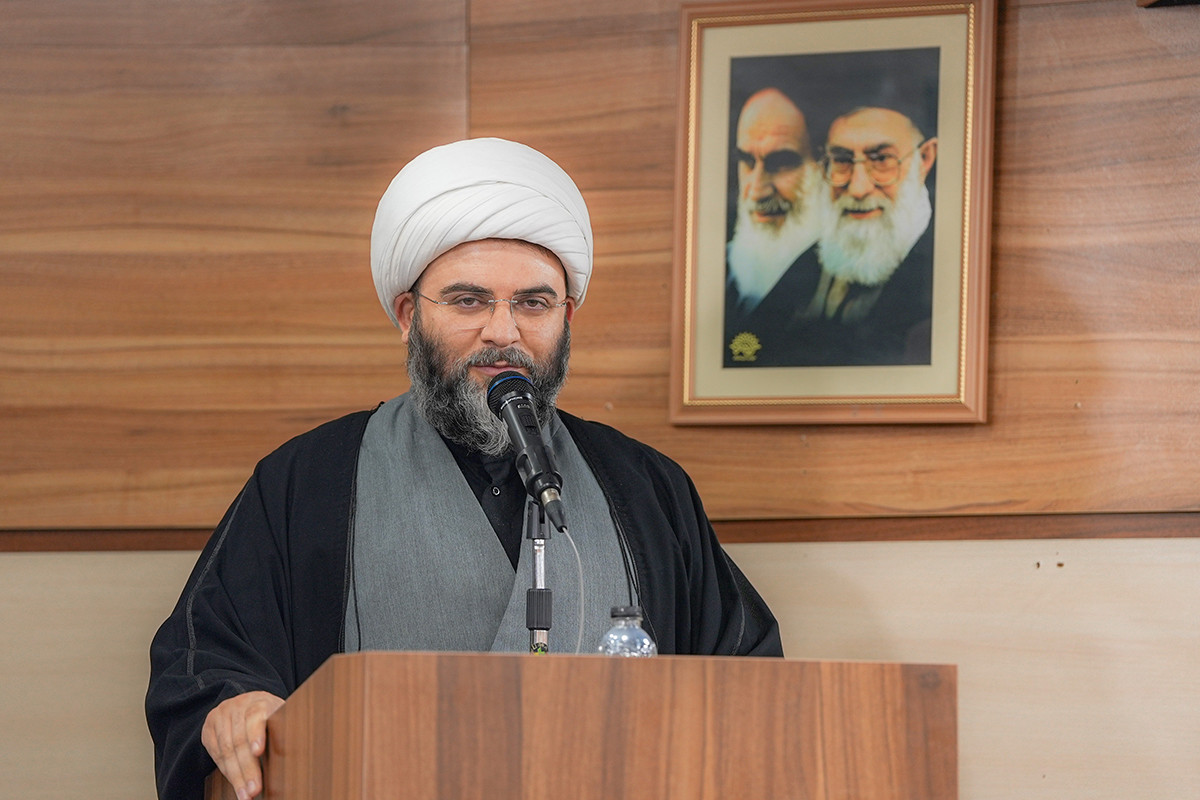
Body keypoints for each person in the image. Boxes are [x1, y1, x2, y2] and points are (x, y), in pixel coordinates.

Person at [145, 138, 783, 800]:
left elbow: (745, 679)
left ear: (566, 317)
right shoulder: (309, 481)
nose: (503, 332)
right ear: (408, 315)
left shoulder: (646, 488)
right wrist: (235, 706)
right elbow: (204, 664)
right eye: (469, 301)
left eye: (533, 303)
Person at [786, 105, 939, 366]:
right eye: (842, 160)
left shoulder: (945, 273)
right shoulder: (808, 264)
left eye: (881, 159)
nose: (858, 189)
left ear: (924, 158)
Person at [724, 87, 823, 366]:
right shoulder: (719, 268)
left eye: (780, 163)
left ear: (823, 165)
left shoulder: (843, 286)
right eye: (747, 161)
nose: (757, 190)